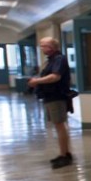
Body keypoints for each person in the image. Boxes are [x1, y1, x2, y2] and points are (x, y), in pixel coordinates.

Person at [28, 37, 73, 168]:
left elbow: (55, 76)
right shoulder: (51, 61)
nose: (42, 49)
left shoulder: (59, 59)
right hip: (50, 96)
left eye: (44, 46)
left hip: (56, 96)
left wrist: (37, 81)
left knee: (60, 125)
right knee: (58, 125)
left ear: (52, 47)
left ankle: (64, 155)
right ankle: (64, 152)